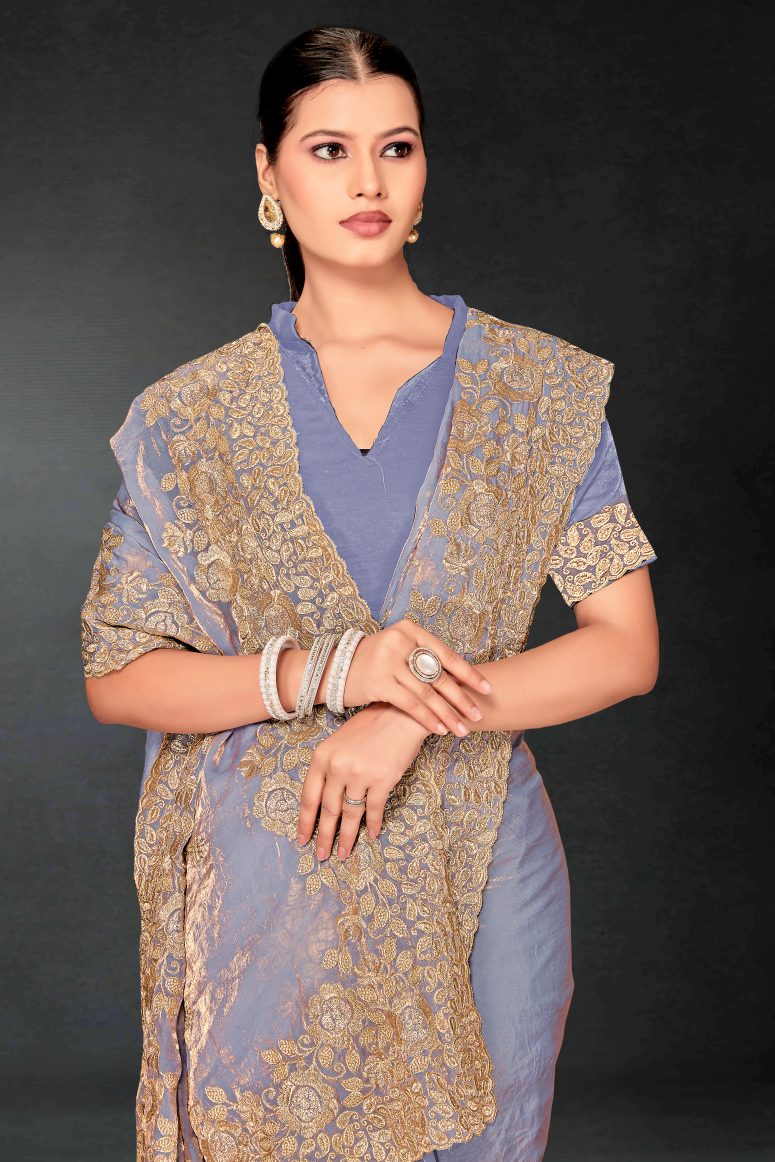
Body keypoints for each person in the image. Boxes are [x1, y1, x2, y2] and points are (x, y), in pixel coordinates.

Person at [80, 25, 659, 1162]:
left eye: (395, 148)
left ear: (424, 168)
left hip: (477, 861)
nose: (367, 182)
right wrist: (337, 671)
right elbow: (121, 675)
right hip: (265, 888)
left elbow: (623, 647)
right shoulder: (188, 419)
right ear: (269, 172)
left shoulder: (535, 392)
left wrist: (410, 714)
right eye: (329, 150)